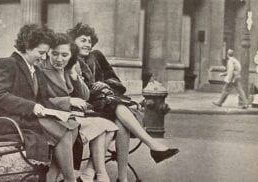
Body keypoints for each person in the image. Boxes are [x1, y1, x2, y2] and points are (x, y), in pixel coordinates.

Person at [67, 23, 179, 182]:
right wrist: (92, 88)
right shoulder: (69, 59)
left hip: (105, 102)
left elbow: (116, 81)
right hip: (87, 108)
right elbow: (73, 91)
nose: (88, 44)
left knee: (120, 122)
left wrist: (104, 86)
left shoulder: (96, 56)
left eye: (89, 41)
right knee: (118, 108)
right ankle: (152, 145)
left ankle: (122, 177)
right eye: (83, 40)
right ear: (73, 42)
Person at [0, 24, 79, 182]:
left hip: (28, 118)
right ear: (27, 47)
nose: (44, 58)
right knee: (64, 131)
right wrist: (32, 107)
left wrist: (59, 112)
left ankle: (50, 178)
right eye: (41, 53)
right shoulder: (7, 63)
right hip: (8, 120)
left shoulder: (35, 69)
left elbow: (43, 99)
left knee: (71, 124)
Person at [38, 32, 118, 182]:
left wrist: (75, 77)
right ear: (48, 52)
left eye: (64, 55)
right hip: (55, 119)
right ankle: (95, 175)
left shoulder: (68, 69)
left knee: (109, 127)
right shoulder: (41, 70)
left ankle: (93, 174)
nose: (59, 59)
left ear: (71, 56)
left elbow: (85, 96)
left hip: (69, 117)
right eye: (54, 54)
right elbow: (42, 99)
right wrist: (68, 101)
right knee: (96, 128)